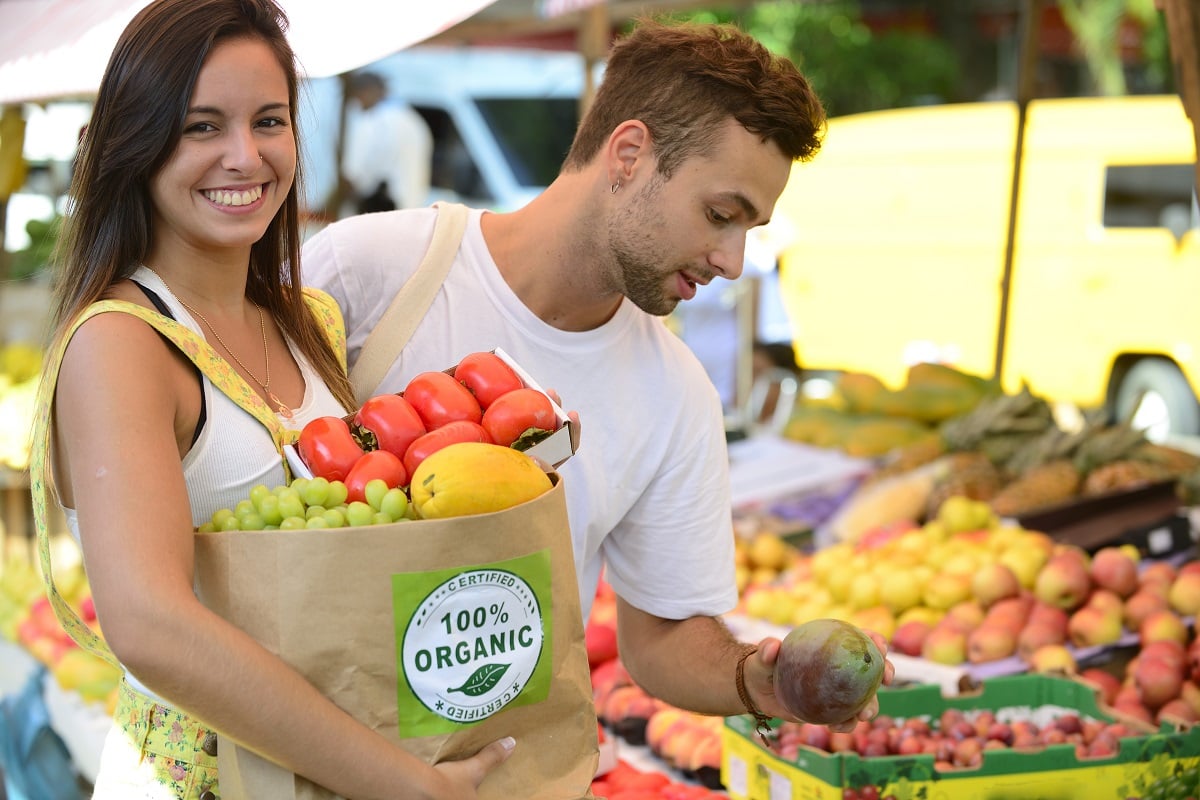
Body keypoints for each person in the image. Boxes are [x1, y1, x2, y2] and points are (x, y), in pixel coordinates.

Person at [303, 18, 894, 731]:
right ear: (630, 155)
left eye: (749, 230)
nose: (734, 261)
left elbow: (661, 639)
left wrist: (756, 681)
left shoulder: (677, 395)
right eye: (720, 214)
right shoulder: (365, 271)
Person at [31, 0, 512, 796]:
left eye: (270, 121)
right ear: (136, 143)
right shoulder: (120, 342)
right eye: (201, 127)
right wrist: (401, 782)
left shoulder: (306, 320)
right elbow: (150, 624)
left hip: (330, 765)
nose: (245, 156)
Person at [341, 70, 433, 214]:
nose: (357, 104)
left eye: (357, 98)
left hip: (379, 213)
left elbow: (353, 174)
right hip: (413, 212)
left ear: (367, 91)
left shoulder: (371, 121)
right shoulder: (414, 120)